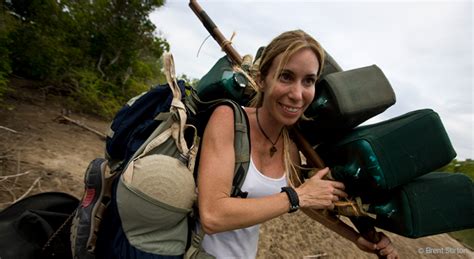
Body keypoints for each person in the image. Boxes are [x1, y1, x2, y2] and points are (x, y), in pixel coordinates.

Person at [196, 29, 399, 259]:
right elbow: (212, 215)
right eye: (286, 77)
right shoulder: (228, 119)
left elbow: (308, 203)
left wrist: (355, 238)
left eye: (309, 81)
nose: (297, 94)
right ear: (262, 79)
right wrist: (297, 196)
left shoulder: (290, 146)